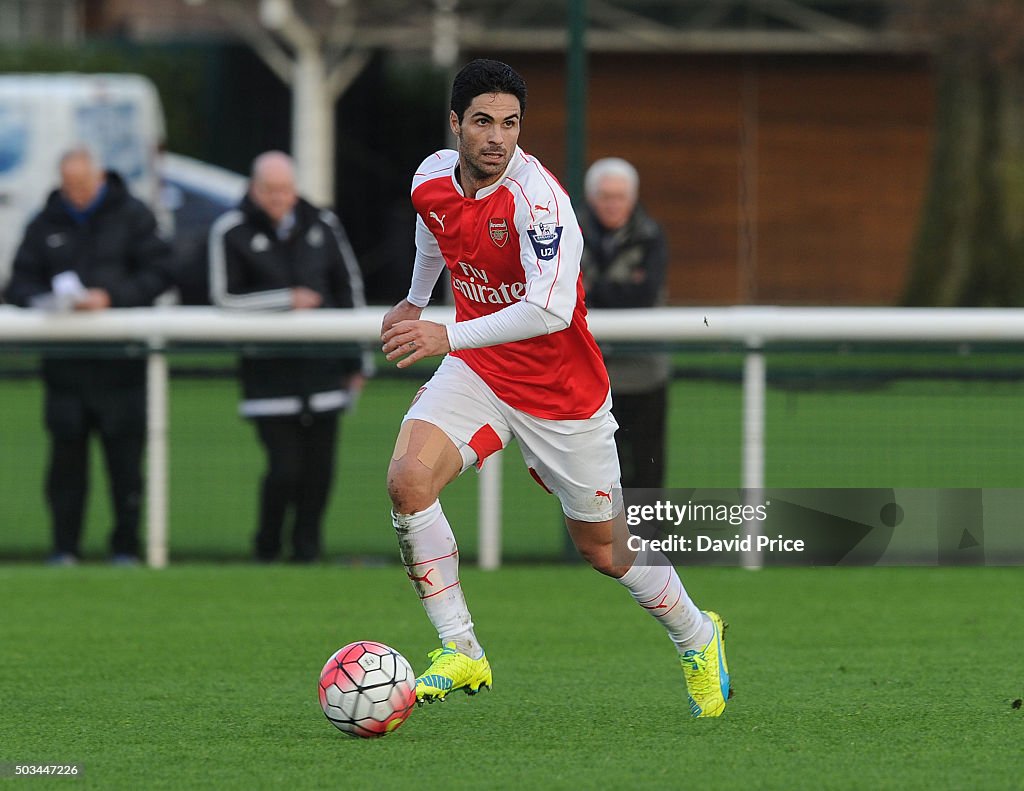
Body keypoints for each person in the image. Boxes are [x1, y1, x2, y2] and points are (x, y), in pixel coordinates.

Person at [380, 59, 731, 717]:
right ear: (455, 123)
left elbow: (547, 309)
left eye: (510, 124)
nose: (496, 138)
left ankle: (698, 634)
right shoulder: (431, 175)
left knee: (602, 547)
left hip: (561, 392)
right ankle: (462, 649)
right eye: (483, 121)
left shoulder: (541, 202)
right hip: (482, 371)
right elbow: (438, 230)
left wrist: (443, 332)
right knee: (407, 480)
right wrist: (412, 300)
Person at [3, 146, 176, 565]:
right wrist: (47, 302)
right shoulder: (45, 222)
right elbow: (19, 283)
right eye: (68, 185)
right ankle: (64, 549)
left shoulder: (133, 215)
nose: (74, 193)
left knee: (125, 466)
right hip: (66, 368)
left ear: (98, 178)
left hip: (122, 365)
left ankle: (125, 549)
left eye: (81, 184)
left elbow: (161, 272)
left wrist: (112, 298)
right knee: (65, 468)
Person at [208, 151, 367, 563]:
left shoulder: (323, 224)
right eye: (269, 190)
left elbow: (349, 291)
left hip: (325, 369)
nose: (279, 198)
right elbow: (225, 297)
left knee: (320, 472)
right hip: (269, 375)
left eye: (285, 189)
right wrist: (286, 301)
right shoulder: (231, 230)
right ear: (253, 189)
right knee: (285, 469)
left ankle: (307, 553)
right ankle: (266, 546)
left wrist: (358, 361)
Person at [580, 157, 670, 489]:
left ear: (632, 199)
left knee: (647, 470)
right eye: (605, 195)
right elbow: (569, 294)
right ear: (592, 198)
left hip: (644, 373)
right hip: (592, 375)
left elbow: (643, 295)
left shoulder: (650, 236)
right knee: (596, 476)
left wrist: (595, 288)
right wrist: (618, 288)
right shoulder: (571, 232)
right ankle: (603, 542)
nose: (612, 204)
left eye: (619, 196)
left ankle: (647, 541)